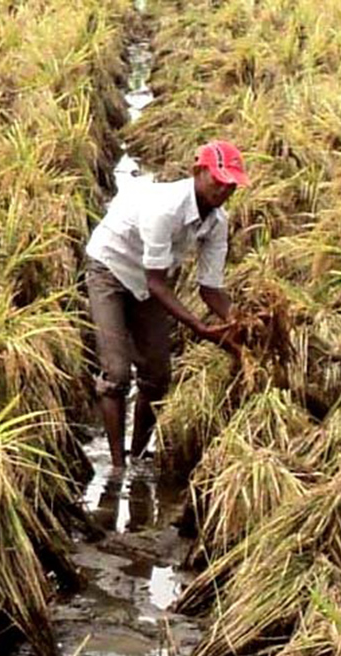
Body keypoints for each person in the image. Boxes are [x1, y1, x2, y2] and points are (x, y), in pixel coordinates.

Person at [85, 139, 250, 469]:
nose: (223, 190)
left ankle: (139, 455)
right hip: (111, 268)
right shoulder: (165, 208)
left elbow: (210, 289)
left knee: (158, 375)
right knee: (116, 373)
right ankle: (118, 468)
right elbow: (157, 282)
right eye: (217, 180)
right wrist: (201, 328)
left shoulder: (217, 222)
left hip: (149, 280)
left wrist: (242, 325)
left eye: (230, 184)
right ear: (197, 172)